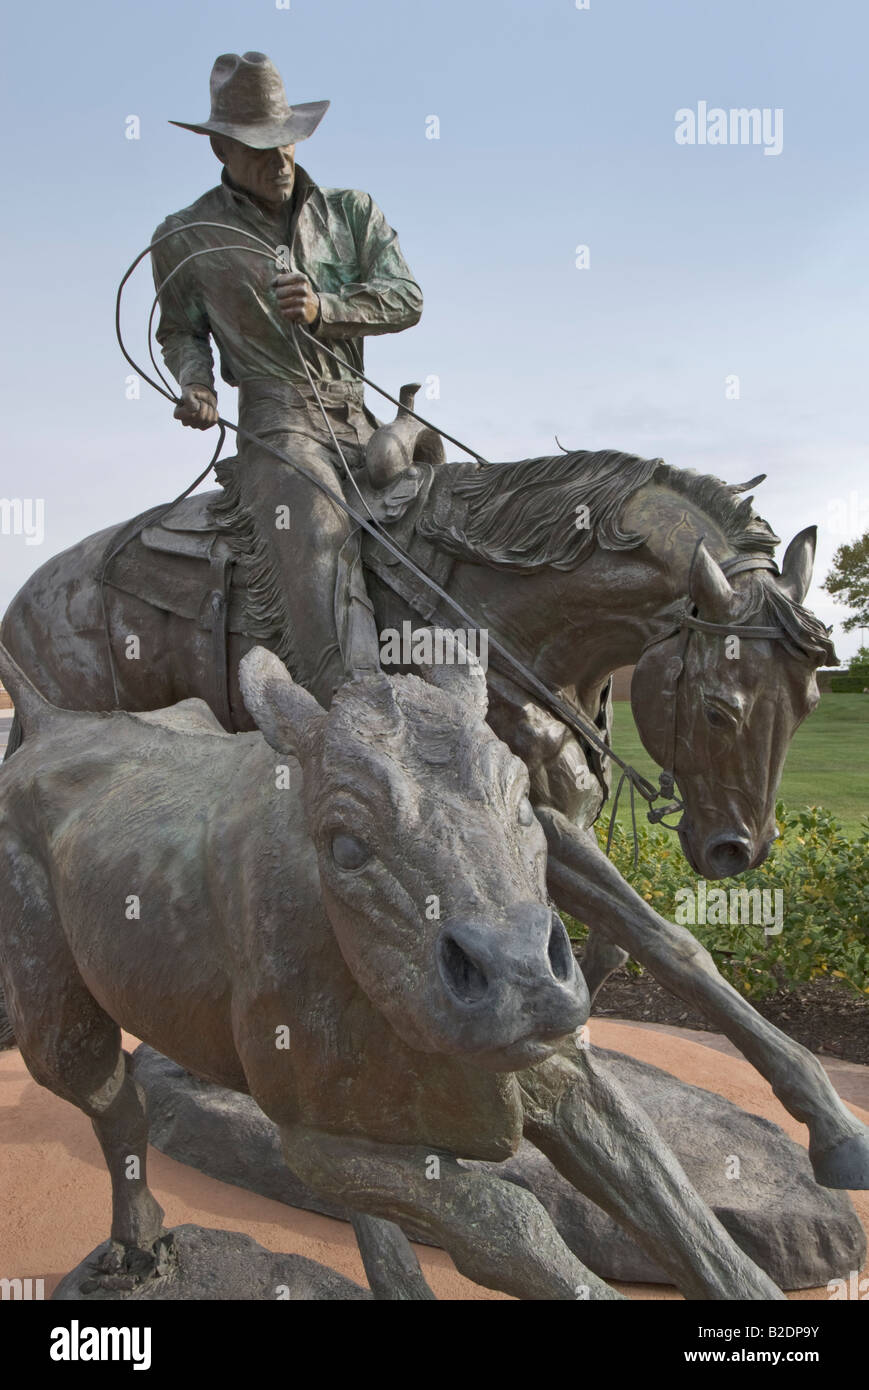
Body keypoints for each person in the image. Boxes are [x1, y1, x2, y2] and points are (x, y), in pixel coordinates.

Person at [151, 51, 423, 704]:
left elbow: (406, 297)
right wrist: (199, 387)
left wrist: (326, 308)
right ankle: (350, 710)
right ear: (219, 146)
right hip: (279, 426)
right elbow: (180, 330)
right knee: (317, 533)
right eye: (257, 148)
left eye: (286, 143)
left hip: (359, 415)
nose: (279, 160)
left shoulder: (351, 214)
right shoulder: (186, 237)